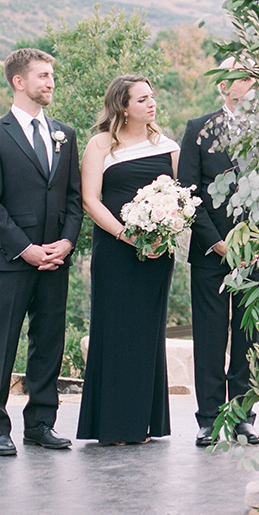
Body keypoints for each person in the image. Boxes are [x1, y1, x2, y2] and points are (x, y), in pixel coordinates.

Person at [0, 48, 83, 456]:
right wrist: (25, 249)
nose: (50, 82)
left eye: (51, 75)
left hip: (56, 260)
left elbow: (74, 198)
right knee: (2, 345)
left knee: (48, 343)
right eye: (42, 75)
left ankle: (40, 423)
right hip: (10, 262)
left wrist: (67, 243)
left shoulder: (65, 134)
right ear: (18, 82)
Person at [76, 75, 180, 445]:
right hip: (115, 250)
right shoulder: (101, 144)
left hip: (156, 254)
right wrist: (126, 233)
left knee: (147, 335)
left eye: (152, 97)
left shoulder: (167, 146)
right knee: (115, 331)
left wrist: (163, 234)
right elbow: (90, 200)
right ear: (123, 106)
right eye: (142, 99)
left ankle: (143, 424)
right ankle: (112, 426)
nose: (151, 104)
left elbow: (180, 198)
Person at [178, 58, 259, 447]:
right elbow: (189, 193)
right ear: (223, 85)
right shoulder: (198, 129)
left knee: (249, 335)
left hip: (257, 253)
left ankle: (244, 416)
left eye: (251, 77)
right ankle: (209, 417)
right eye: (241, 77)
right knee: (210, 335)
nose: (248, 83)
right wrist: (217, 242)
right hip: (211, 251)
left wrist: (258, 242)